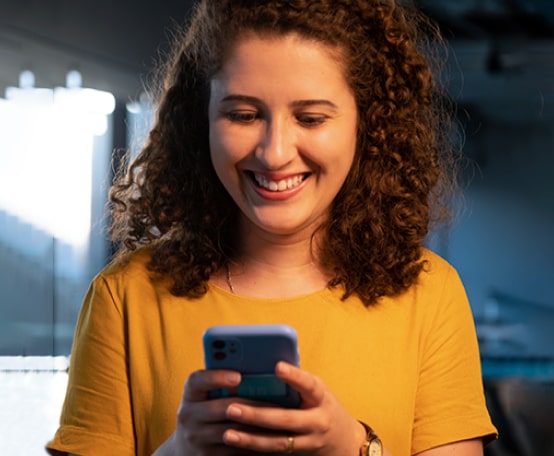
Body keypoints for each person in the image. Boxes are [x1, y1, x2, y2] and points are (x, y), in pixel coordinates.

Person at [47, 0, 498, 454]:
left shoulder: (430, 294)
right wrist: (179, 450)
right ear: (199, 119)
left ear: (369, 122)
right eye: (243, 115)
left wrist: (354, 446)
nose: (275, 152)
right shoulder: (125, 297)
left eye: (311, 118)